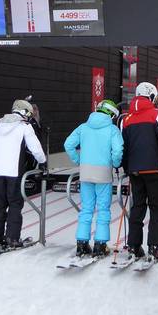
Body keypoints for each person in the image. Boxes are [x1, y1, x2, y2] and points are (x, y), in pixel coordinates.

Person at [120, 82, 158, 259]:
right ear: (151, 96)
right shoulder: (157, 115)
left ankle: (134, 246)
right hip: (153, 170)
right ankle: (154, 246)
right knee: (156, 208)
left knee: (137, 207)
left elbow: (124, 147)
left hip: (134, 171)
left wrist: (126, 167)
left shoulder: (126, 119)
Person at [0, 99, 47, 249]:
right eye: (28, 114)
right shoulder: (24, 127)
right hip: (14, 173)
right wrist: (43, 162)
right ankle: (12, 237)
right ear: (24, 112)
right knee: (15, 205)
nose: (29, 117)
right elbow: (35, 148)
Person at [64, 99, 124, 257]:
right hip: (103, 174)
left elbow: (68, 144)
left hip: (85, 173)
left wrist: (78, 160)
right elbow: (118, 151)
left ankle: (82, 244)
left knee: (86, 209)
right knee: (103, 209)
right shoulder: (112, 130)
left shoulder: (83, 127)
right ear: (111, 114)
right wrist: (116, 163)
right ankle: (100, 245)